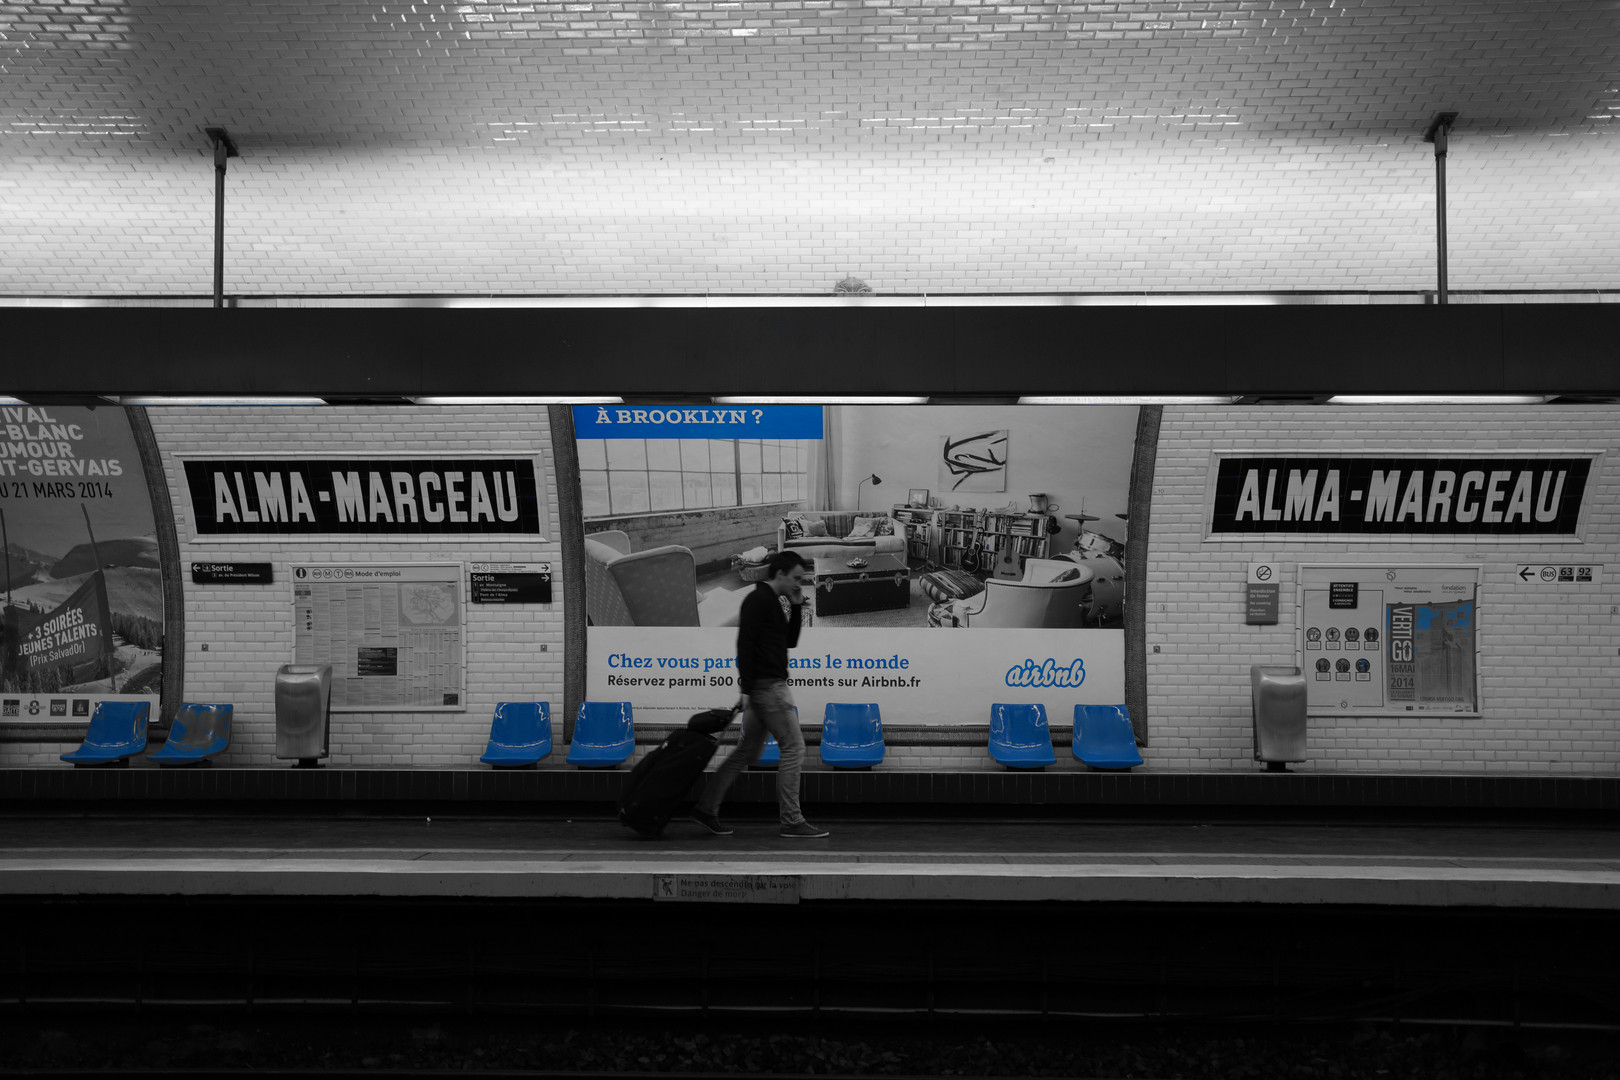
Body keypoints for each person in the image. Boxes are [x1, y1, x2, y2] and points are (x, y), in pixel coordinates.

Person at [691, 549, 829, 839]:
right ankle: (791, 820)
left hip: (763, 690)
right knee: (794, 748)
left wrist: (796, 606)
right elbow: (745, 645)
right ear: (779, 574)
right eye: (795, 578)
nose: (799, 584)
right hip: (769, 689)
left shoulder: (773, 601)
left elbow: (789, 641)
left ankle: (706, 808)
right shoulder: (758, 600)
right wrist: (745, 689)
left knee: (746, 752)